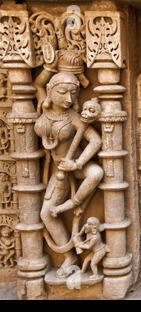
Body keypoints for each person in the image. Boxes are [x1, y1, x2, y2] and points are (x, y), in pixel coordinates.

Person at [34, 72, 104, 278]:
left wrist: (77, 163)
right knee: (46, 213)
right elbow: (37, 83)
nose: (69, 99)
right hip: (57, 170)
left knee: (96, 172)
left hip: (74, 166)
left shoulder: (73, 117)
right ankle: (69, 257)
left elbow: (95, 141)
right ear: (50, 91)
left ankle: (73, 204)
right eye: (62, 92)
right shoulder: (43, 107)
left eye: (73, 93)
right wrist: (48, 66)